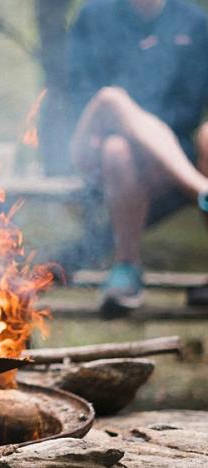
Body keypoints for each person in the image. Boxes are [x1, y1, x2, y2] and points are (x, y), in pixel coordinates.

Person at [68, 0, 208, 316]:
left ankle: (127, 277)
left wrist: (148, 133)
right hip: (93, 142)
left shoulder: (193, 22)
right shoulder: (93, 15)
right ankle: (201, 188)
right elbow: (79, 93)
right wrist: (136, 124)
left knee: (205, 136)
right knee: (113, 105)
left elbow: (191, 106)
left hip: (163, 151)